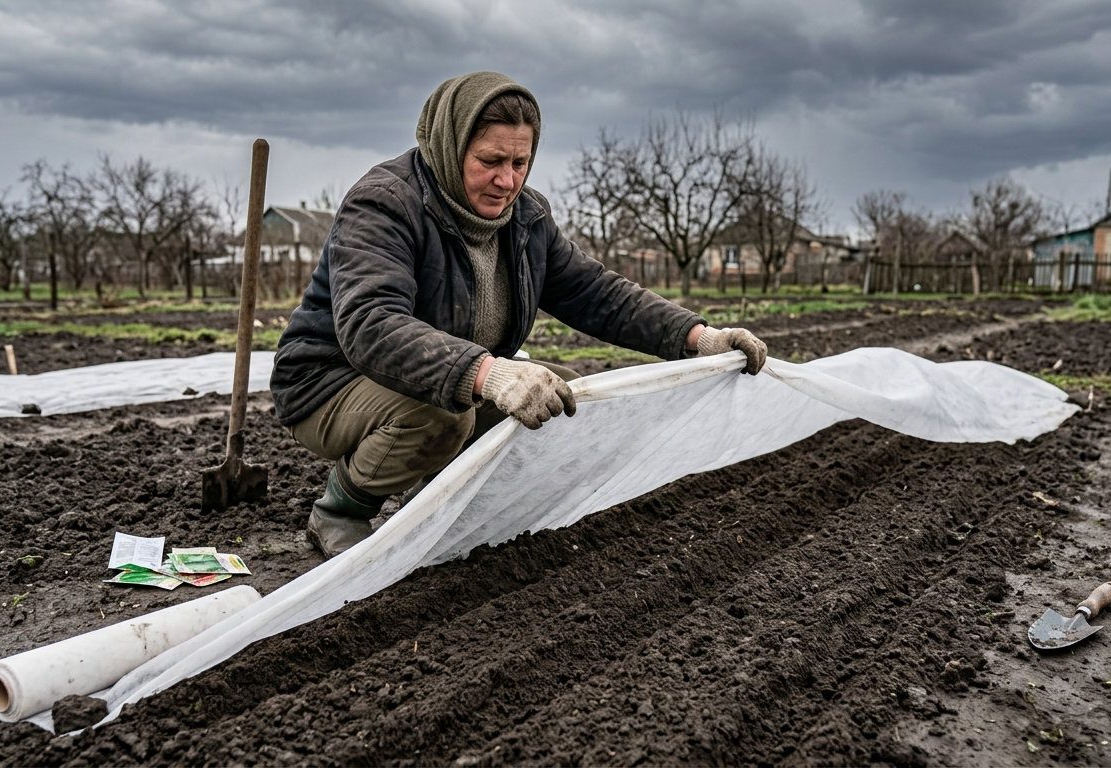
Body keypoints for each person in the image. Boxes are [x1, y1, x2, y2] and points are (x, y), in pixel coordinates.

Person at [271, 71, 767, 559]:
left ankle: (435, 496)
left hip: (433, 379)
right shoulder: (386, 203)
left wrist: (697, 336)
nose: (506, 180)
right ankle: (340, 510)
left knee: (564, 394)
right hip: (329, 383)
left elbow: (597, 293)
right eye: (490, 161)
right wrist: (488, 371)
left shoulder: (526, 218)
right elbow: (371, 323)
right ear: (450, 145)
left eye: (520, 162)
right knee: (442, 413)